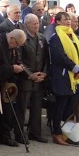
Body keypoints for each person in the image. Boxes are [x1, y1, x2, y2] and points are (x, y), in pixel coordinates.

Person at [48, 11, 79, 146]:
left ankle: (66, 132)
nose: (68, 21)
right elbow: (60, 57)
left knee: (71, 107)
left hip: (76, 78)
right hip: (63, 76)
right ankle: (56, 133)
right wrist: (75, 68)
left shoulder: (73, 36)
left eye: (69, 19)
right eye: (65, 19)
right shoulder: (56, 37)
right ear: (58, 22)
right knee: (60, 106)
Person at [0, 29, 27, 146]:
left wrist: (18, 66)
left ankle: (5, 136)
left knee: (8, 112)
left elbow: (14, 61)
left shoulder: (12, 46)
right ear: (12, 38)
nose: (17, 47)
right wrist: (12, 68)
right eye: (17, 44)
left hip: (8, 83)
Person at [19, 14, 49, 143]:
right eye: (33, 23)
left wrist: (44, 73)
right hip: (25, 79)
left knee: (37, 108)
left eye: (37, 23)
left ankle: (35, 133)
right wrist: (29, 74)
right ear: (26, 25)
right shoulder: (22, 38)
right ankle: (20, 134)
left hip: (39, 79)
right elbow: (19, 59)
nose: (36, 26)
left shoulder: (41, 38)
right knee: (22, 108)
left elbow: (46, 58)